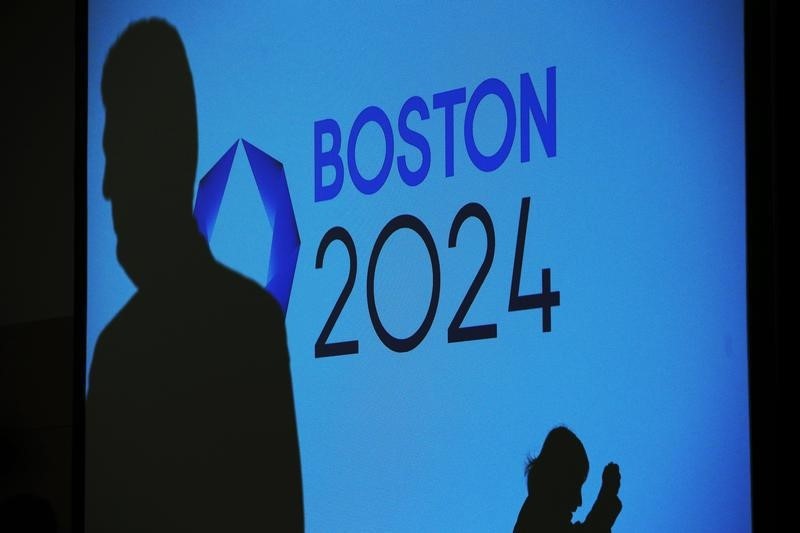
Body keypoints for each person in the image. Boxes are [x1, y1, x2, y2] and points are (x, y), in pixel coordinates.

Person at [85, 19, 303, 532]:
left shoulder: (122, 353)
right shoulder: (252, 325)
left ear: (167, 156)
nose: (107, 189)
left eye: (117, 158)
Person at [513, 426, 622, 532]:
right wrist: (607, 494)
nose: (579, 501)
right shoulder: (538, 519)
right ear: (558, 480)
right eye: (575, 486)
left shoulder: (534, 514)